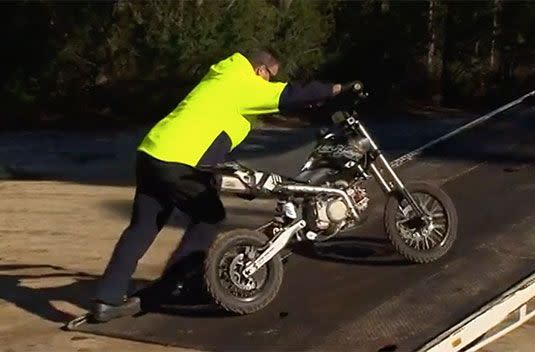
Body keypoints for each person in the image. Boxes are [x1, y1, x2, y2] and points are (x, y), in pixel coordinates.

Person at [91, 49, 357, 322]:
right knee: (209, 216)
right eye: (270, 76)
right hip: (181, 161)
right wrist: (336, 89)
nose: (269, 82)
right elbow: (289, 94)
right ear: (260, 70)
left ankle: (107, 300)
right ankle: (175, 286)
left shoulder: (222, 75)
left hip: (152, 152)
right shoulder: (244, 83)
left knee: (141, 227)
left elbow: (278, 105)